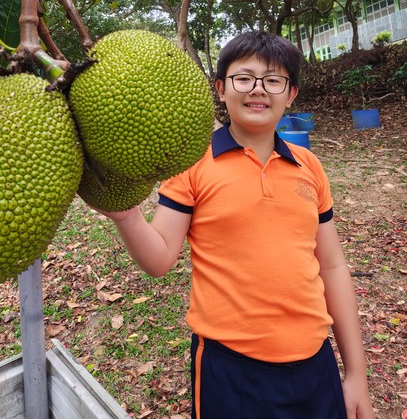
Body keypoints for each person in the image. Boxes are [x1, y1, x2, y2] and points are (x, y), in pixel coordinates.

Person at [95, 31, 375, 419]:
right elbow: (159, 259)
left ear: (291, 95)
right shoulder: (192, 163)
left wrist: (356, 374)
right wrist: (126, 215)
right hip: (230, 368)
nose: (258, 89)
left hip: (316, 359)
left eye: (273, 80)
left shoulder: (308, 166)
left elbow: (332, 266)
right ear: (221, 89)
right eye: (244, 78)